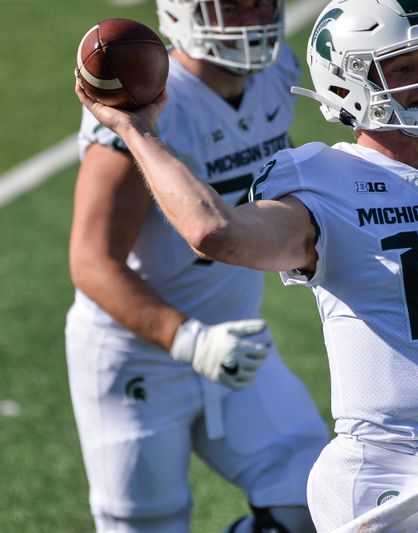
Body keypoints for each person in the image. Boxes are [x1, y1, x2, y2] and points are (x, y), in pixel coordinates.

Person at [75, 0, 418, 530]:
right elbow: (213, 232)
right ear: (348, 84)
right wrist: (138, 129)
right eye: (402, 67)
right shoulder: (321, 180)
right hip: (385, 482)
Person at [66, 1, 330, 531]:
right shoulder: (144, 100)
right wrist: (190, 341)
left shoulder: (276, 71)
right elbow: (92, 262)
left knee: (319, 501)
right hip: (136, 358)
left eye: (260, 3)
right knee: (148, 524)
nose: (253, 18)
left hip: (238, 344)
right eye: (233, 6)